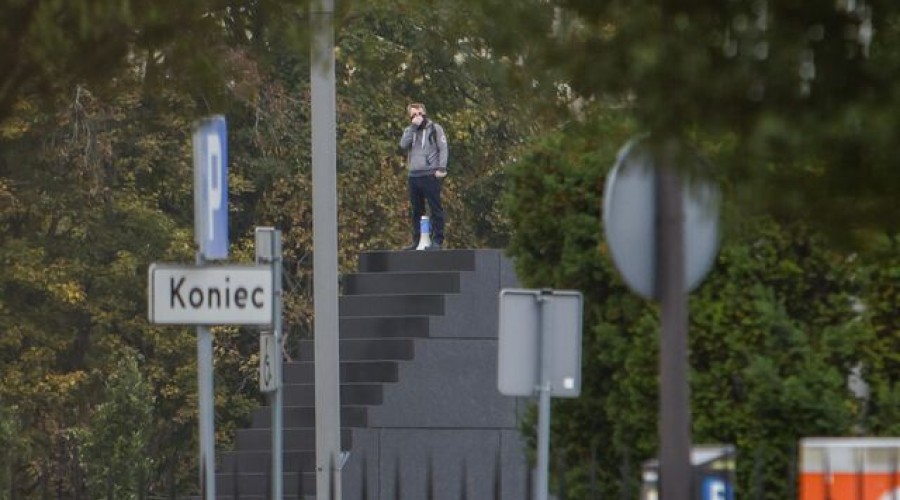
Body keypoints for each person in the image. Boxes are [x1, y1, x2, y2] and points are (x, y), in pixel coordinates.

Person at [399, 102, 448, 250]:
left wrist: (441, 167)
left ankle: (437, 240)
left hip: (430, 174)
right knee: (416, 210)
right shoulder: (409, 130)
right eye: (413, 115)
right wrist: (413, 128)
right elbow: (402, 145)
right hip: (414, 176)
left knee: (435, 208)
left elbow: (443, 148)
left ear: (424, 113)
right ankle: (417, 239)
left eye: (419, 114)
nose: (417, 117)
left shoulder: (435, 129)